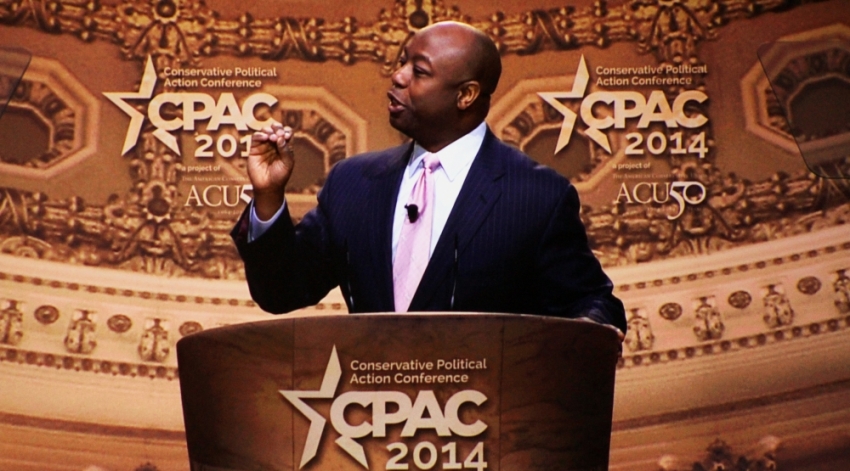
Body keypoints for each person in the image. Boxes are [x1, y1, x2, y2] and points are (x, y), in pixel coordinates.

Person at [231, 21, 627, 336]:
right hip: (370, 422)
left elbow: (593, 304)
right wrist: (268, 198)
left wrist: (581, 338)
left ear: (466, 95)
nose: (398, 77)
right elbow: (280, 292)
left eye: (417, 71)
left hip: (481, 424)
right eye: (401, 62)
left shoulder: (537, 196)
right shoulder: (353, 183)